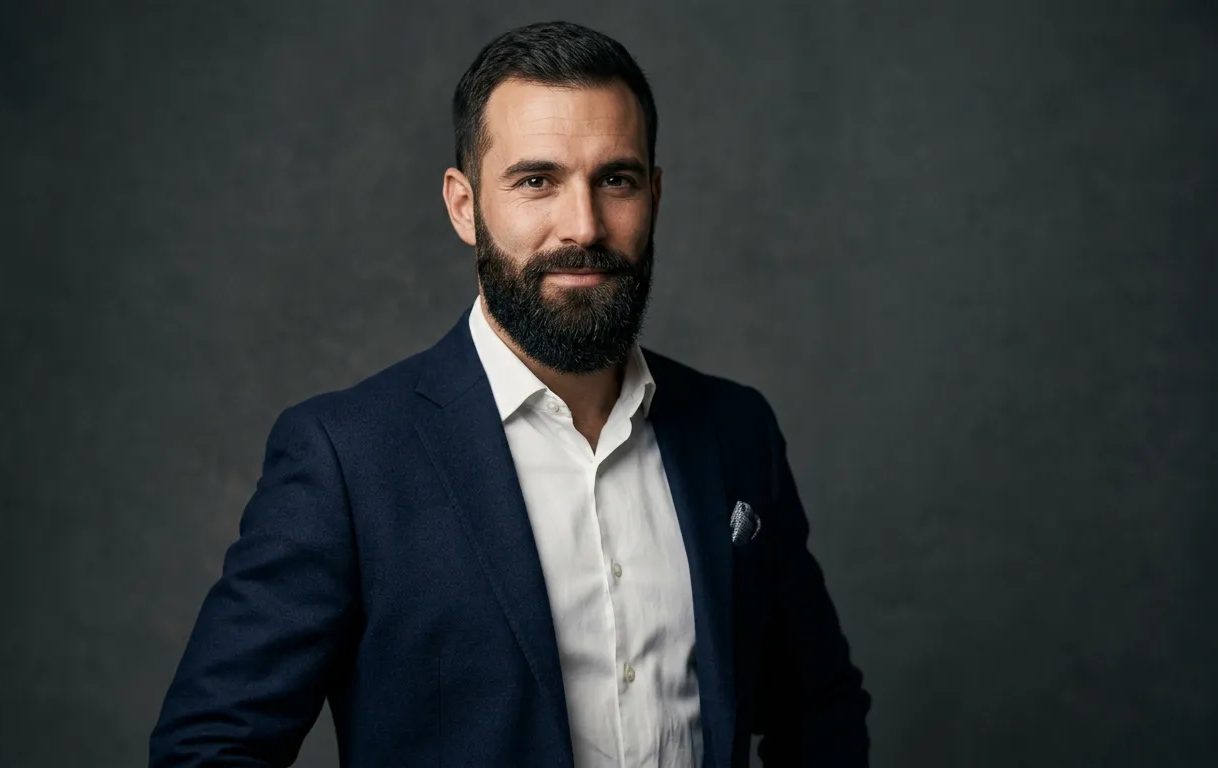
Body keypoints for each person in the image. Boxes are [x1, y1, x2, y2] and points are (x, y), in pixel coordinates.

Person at [150, 20, 870, 768]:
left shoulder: (735, 431)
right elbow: (210, 748)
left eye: (615, 179)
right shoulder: (347, 459)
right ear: (464, 206)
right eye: (537, 181)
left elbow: (817, 710)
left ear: (654, 194)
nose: (583, 226)